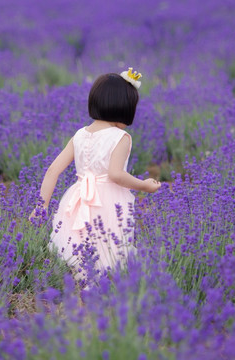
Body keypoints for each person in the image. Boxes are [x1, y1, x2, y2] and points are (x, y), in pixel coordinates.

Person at [31, 68, 161, 286]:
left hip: (79, 195)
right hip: (107, 199)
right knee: (108, 245)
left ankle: (80, 280)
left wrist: (41, 206)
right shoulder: (121, 137)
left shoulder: (80, 134)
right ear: (125, 108)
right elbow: (116, 175)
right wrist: (144, 186)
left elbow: (53, 170)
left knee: (78, 240)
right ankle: (104, 286)